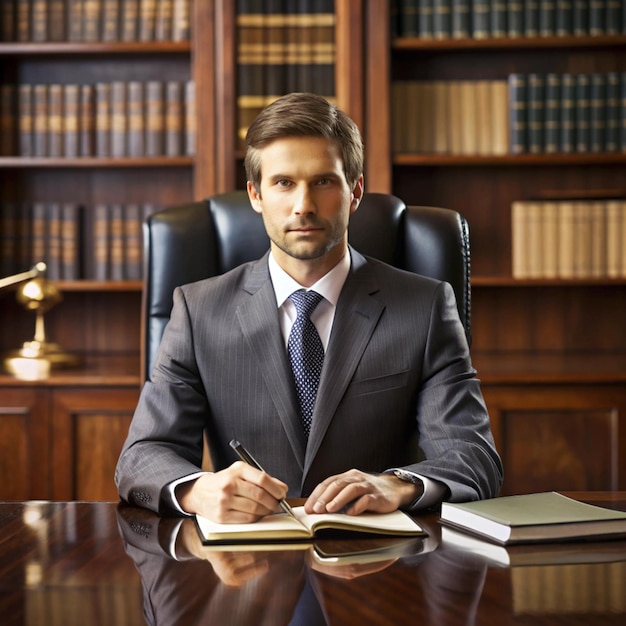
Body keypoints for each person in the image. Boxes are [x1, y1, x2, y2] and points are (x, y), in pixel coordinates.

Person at [115, 92, 503, 523]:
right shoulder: (198, 310)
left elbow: (473, 456)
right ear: (255, 195)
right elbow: (142, 456)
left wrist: (397, 483)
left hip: (379, 566)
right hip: (245, 566)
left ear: (354, 191)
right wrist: (195, 490)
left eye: (323, 181)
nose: (303, 206)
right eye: (283, 183)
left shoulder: (424, 307)